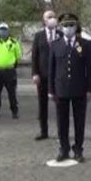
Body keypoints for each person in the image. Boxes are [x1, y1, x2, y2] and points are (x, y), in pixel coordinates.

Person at [49, 13, 91, 162]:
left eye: (71, 25)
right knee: (62, 122)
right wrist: (51, 90)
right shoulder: (55, 45)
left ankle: (78, 149)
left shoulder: (84, 44)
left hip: (79, 89)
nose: (68, 28)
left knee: (79, 122)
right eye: (66, 26)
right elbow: (51, 70)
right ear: (61, 27)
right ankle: (64, 148)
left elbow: (89, 69)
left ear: (76, 27)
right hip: (61, 89)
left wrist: (90, 89)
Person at [32, 10, 61, 140]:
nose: (52, 19)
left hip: (58, 76)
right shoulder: (38, 36)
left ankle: (62, 131)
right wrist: (35, 73)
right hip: (42, 76)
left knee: (60, 104)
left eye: (54, 17)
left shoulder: (61, 35)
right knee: (42, 104)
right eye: (49, 17)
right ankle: (44, 131)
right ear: (44, 20)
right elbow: (34, 56)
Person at [0, 22, 22, 119]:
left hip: (9, 71)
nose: (3, 32)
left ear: (8, 31)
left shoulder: (14, 43)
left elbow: (18, 56)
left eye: (4, 30)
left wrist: (12, 65)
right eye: (1, 30)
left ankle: (14, 112)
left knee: (12, 93)